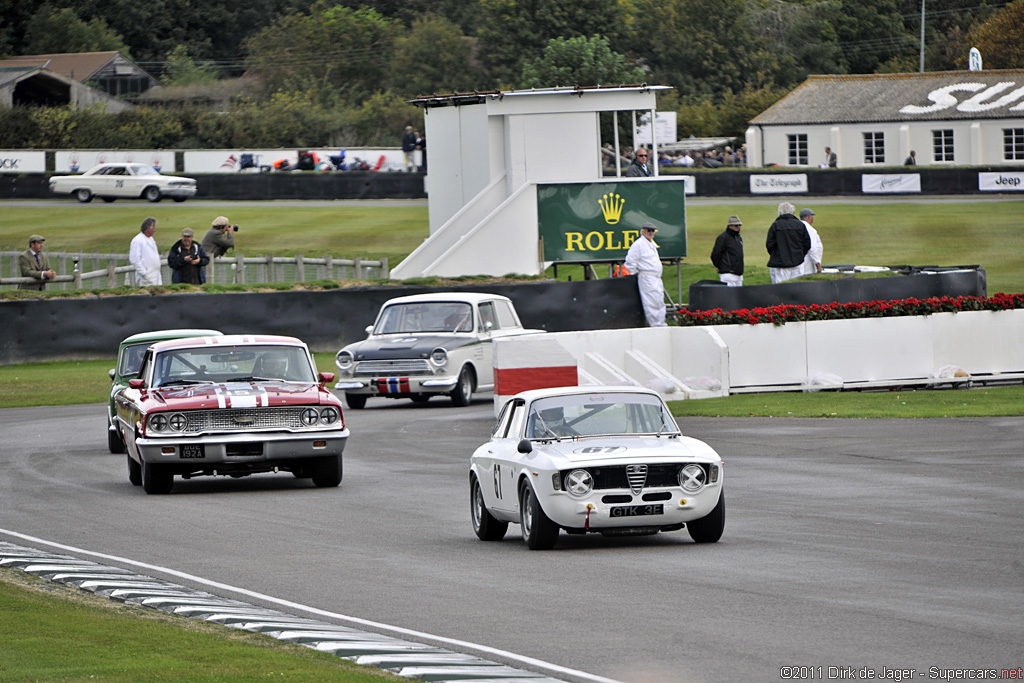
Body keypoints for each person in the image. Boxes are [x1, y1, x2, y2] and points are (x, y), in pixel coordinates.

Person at [624, 222, 667, 327]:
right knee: (651, 301)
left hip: (656, 277)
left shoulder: (652, 244)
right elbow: (630, 261)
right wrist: (635, 274)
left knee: (659, 300)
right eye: (649, 230)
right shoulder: (638, 244)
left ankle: (661, 323)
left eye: (653, 231)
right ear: (642, 231)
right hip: (647, 277)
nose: (651, 233)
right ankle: (656, 324)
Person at [766, 201, 811, 284]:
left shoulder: (775, 225)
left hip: (781, 263)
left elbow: (770, 244)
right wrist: (800, 255)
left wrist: (776, 255)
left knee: (781, 287)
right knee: (797, 286)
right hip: (798, 261)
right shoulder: (800, 225)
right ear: (792, 212)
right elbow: (807, 243)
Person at [710, 215, 744, 286]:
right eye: (736, 225)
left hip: (738, 273)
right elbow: (715, 255)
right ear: (730, 226)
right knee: (730, 295)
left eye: (739, 225)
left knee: (739, 296)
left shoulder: (738, 237)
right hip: (728, 274)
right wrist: (720, 266)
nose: (738, 227)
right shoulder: (723, 238)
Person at [129, 217, 162, 286]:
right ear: (148, 228)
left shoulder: (151, 239)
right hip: (146, 277)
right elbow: (134, 259)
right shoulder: (137, 240)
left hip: (155, 275)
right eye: (153, 228)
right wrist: (144, 273)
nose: (155, 230)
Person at [799, 208, 824, 275]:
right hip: (808, 263)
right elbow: (812, 247)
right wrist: (817, 263)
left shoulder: (798, 227)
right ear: (809, 216)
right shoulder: (810, 229)